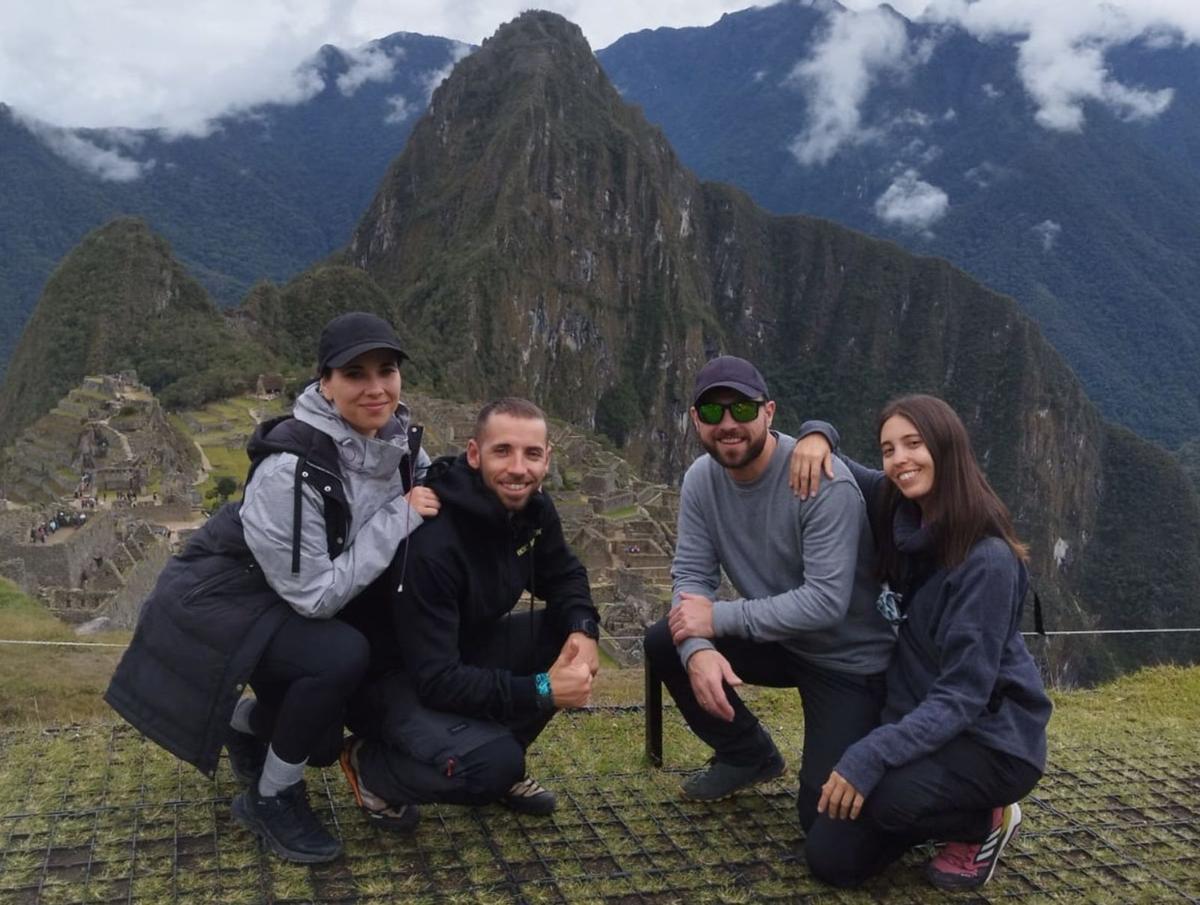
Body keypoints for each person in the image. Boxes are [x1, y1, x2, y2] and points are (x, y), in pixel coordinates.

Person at [106, 312, 439, 864]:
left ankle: (249, 726)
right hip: (224, 596)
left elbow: (426, 483)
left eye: (387, 370)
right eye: (355, 374)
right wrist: (397, 518)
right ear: (326, 385)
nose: (376, 387)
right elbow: (316, 597)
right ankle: (272, 797)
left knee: (327, 737)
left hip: (280, 591)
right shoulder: (292, 467)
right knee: (340, 657)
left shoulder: (396, 437)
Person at [793, 394, 1052, 890]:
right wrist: (817, 431)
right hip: (919, 724)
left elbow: (961, 697)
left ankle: (983, 821)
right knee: (830, 856)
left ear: (946, 446)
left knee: (883, 795)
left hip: (990, 739)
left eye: (913, 444)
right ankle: (921, 810)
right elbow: (834, 459)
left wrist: (872, 754)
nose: (899, 461)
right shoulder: (901, 509)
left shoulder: (987, 562)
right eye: (889, 449)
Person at [642, 356, 895, 831]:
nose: (729, 424)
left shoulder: (821, 481)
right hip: (782, 642)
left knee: (824, 827)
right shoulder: (701, 479)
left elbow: (825, 602)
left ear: (769, 411)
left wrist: (716, 620)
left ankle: (959, 813)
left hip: (848, 661)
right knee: (665, 642)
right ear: (696, 420)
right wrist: (697, 649)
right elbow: (691, 578)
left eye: (742, 409)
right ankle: (748, 755)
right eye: (713, 414)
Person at [337, 397, 600, 828]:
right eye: (503, 451)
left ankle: (503, 757)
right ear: (474, 454)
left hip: (458, 650)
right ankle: (372, 765)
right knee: (490, 769)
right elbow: (437, 681)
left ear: (547, 459)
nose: (519, 468)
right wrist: (542, 689)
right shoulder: (435, 544)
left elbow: (564, 574)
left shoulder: (533, 510)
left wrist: (583, 629)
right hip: (394, 682)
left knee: (561, 633)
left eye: (532, 454)